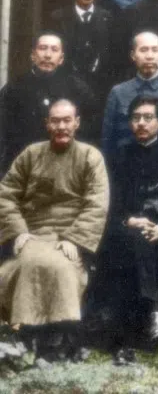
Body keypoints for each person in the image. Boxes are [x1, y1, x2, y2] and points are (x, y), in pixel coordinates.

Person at [0, 99, 108, 362]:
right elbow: (6, 195)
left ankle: (56, 340)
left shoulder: (90, 156)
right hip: (34, 233)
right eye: (55, 121)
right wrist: (18, 231)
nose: (61, 126)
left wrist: (75, 239)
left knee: (61, 267)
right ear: (47, 124)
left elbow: (97, 202)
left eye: (67, 120)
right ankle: (26, 336)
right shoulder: (31, 154)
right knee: (25, 263)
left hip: (69, 236)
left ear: (77, 123)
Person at [105, 95, 158, 365]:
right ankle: (154, 310)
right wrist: (128, 221)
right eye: (136, 118)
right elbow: (109, 202)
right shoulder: (117, 156)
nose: (141, 123)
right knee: (135, 240)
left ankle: (143, 321)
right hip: (124, 231)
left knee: (143, 240)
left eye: (148, 118)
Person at [0, 32, 97, 173]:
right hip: (24, 165)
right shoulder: (14, 88)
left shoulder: (77, 88)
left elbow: (90, 128)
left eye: (54, 49)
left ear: (61, 58)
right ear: (33, 55)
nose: (47, 55)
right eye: (43, 48)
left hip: (65, 165)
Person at [102, 32, 158, 160]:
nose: (149, 56)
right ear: (133, 55)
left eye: (155, 50)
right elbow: (108, 143)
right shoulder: (118, 92)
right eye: (143, 50)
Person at [48, 0, 121, 97]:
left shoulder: (109, 19)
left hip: (99, 90)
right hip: (66, 88)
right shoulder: (58, 18)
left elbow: (113, 59)